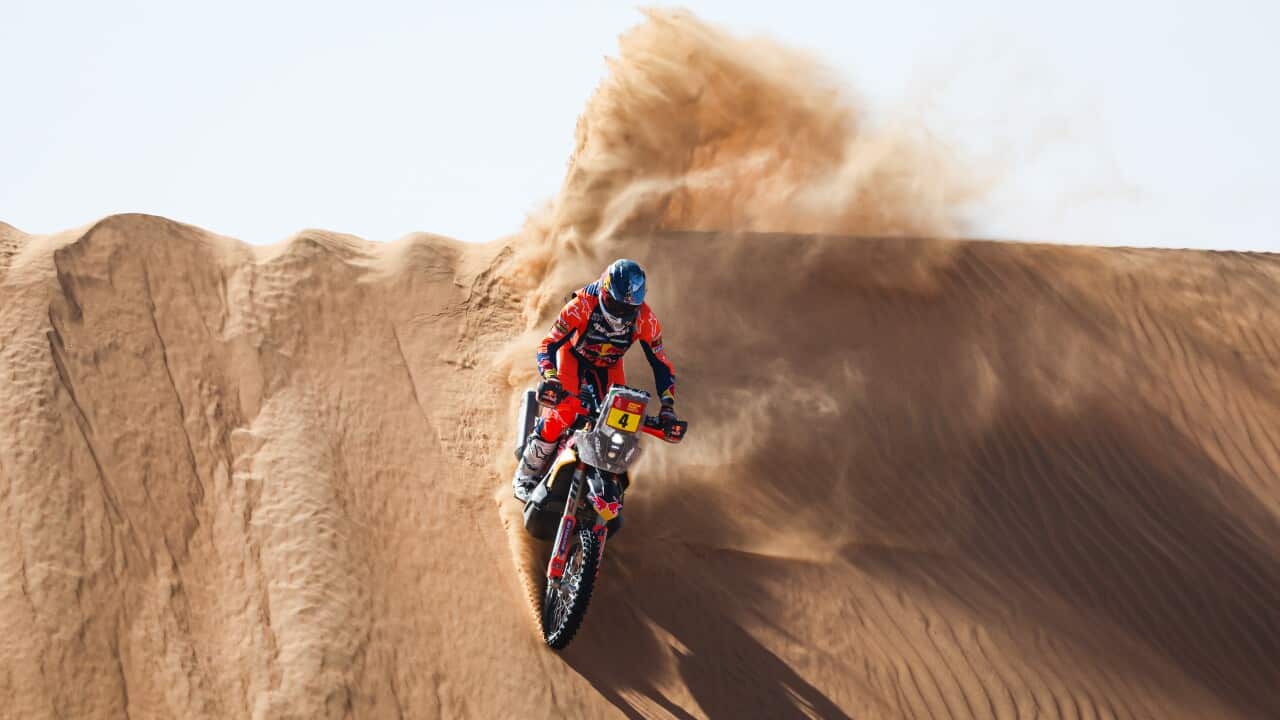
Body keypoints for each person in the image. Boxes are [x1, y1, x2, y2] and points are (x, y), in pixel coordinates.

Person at [512, 258, 679, 501]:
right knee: (566, 411)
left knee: (617, 425)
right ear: (605, 289)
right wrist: (551, 377)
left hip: (609, 365)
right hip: (573, 356)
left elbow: (661, 365)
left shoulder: (646, 320)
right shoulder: (582, 305)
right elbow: (548, 344)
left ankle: (606, 481)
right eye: (614, 304)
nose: (620, 314)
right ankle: (526, 474)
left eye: (627, 309)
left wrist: (667, 407)